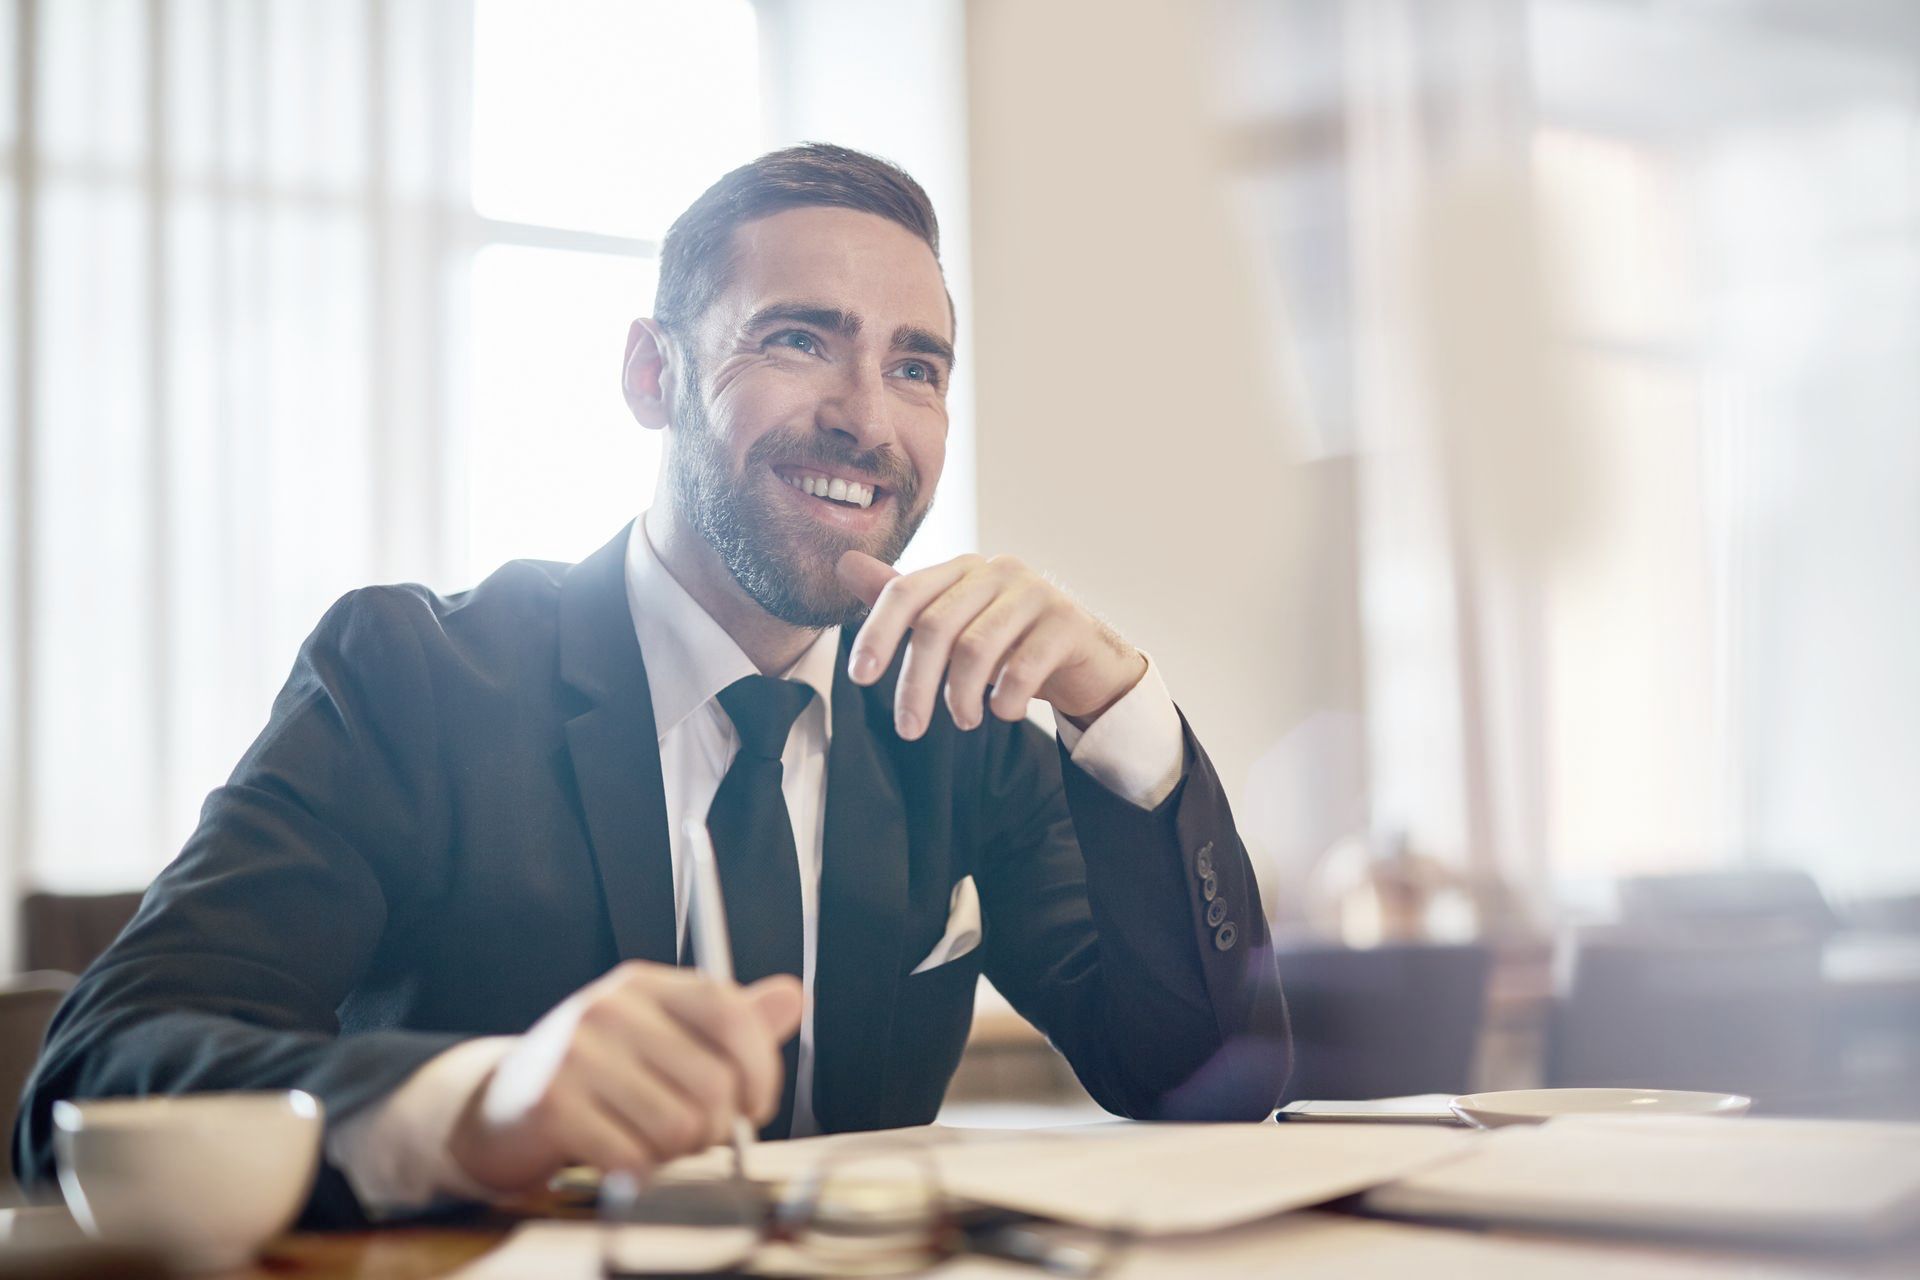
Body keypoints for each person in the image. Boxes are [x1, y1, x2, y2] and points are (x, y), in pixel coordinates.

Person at [15, 144, 1289, 1224]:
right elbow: (91, 1075)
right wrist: (484, 1097)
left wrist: (1120, 714)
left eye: (918, 366)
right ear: (651, 373)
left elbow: (1204, 1076)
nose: (868, 417)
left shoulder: (959, 718)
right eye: (801, 339)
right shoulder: (410, 680)